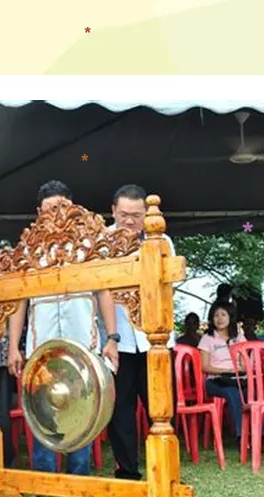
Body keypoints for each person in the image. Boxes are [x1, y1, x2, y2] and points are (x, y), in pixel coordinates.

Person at [7, 180, 120, 497]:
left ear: (72, 209)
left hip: (82, 343)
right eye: (49, 210)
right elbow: (19, 301)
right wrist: (14, 345)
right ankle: (45, 482)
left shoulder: (89, 244)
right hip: (42, 346)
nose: (56, 216)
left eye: (61, 208)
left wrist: (112, 338)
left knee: (83, 408)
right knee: (42, 408)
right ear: (38, 214)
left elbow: (104, 291)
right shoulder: (28, 248)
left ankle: (78, 479)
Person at [103, 184, 173, 481]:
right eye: (123, 215)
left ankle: (166, 466)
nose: (129, 221)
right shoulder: (100, 242)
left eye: (136, 215)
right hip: (117, 339)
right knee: (120, 409)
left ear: (147, 214)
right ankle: (127, 469)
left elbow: (169, 283)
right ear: (113, 211)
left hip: (154, 338)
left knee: (164, 404)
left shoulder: (161, 239)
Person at [199, 301, 247, 444]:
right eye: (216, 315)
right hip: (215, 380)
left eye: (223, 315)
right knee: (232, 392)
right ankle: (242, 437)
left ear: (230, 317)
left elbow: (245, 364)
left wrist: (239, 370)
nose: (219, 319)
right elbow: (205, 366)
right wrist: (227, 370)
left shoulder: (238, 337)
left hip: (237, 378)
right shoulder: (208, 338)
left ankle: (260, 435)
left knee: (254, 392)